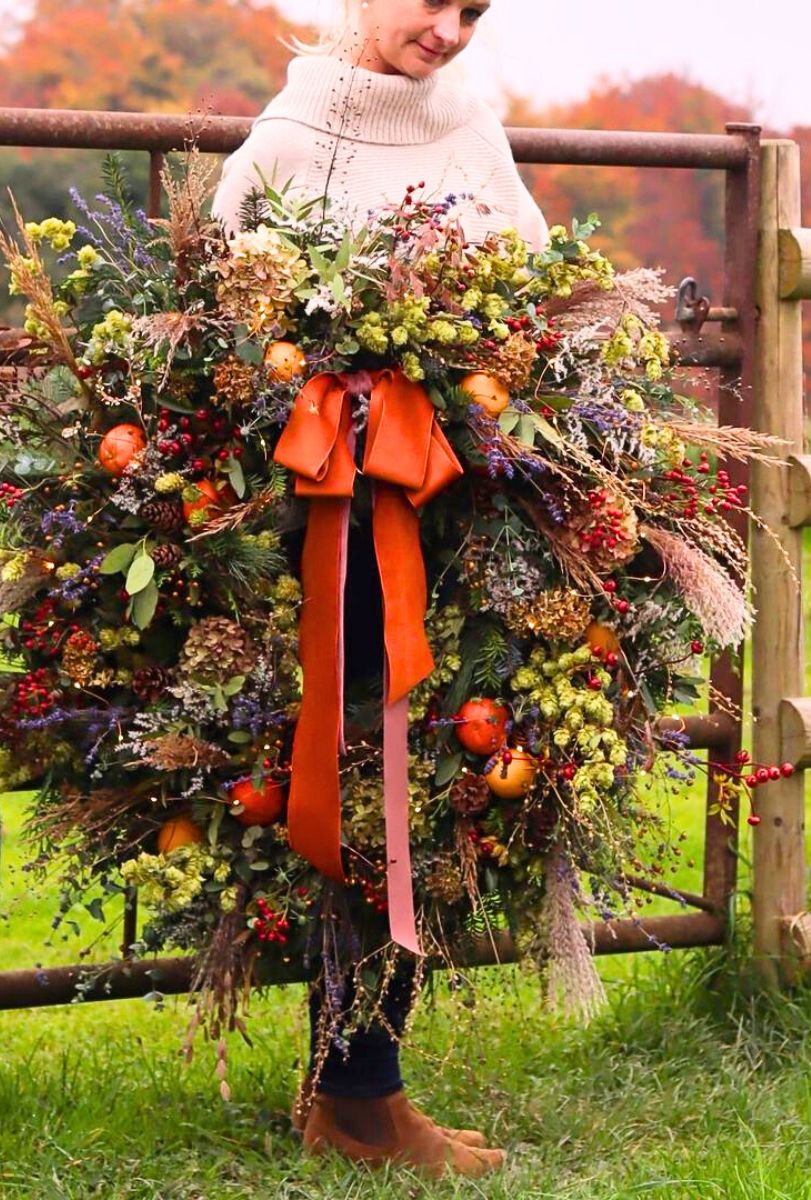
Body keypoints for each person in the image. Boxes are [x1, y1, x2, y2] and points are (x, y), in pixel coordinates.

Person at [211, 0, 549, 1179]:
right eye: (435, 1)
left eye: (479, 9)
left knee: (431, 773)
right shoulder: (298, 131)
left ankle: (356, 1088)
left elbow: (532, 295)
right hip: (329, 527)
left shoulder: (473, 132)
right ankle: (359, 1098)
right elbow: (231, 299)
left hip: (452, 506)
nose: (453, 30)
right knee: (360, 773)